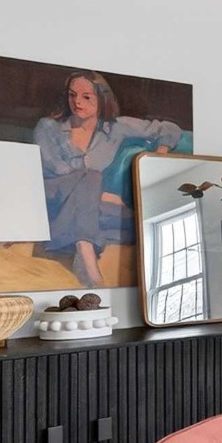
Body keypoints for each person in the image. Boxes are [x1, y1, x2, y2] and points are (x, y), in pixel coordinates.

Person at [34, 71, 185, 286]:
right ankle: (86, 255)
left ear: (102, 99)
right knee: (93, 178)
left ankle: (76, 238)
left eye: (86, 97)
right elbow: (58, 169)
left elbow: (169, 129)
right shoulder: (48, 127)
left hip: (85, 204)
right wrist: (103, 195)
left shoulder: (115, 128)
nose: (77, 102)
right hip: (52, 196)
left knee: (134, 219)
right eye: (72, 95)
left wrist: (161, 152)